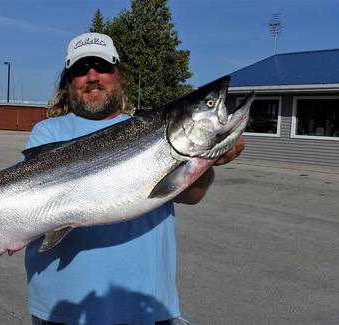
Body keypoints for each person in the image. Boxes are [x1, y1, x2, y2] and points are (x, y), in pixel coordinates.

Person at [23, 32, 245, 325]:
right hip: (64, 308)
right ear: (68, 82)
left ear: (119, 75)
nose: (92, 76)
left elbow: (191, 194)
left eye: (101, 66)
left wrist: (207, 161)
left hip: (147, 305)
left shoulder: (154, 129)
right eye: (80, 69)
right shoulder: (48, 134)